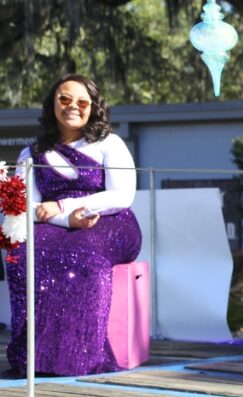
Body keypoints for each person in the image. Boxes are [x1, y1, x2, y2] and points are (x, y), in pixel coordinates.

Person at [7, 73, 142, 376]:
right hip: (54, 222)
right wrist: (63, 217)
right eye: (64, 99)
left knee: (83, 253)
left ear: (94, 107)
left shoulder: (110, 143)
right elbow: (26, 205)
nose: (73, 106)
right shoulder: (31, 154)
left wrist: (70, 207)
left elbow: (122, 195)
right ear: (52, 104)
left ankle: (80, 357)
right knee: (23, 255)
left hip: (109, 219)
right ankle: (36, 357)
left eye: (83, 102)